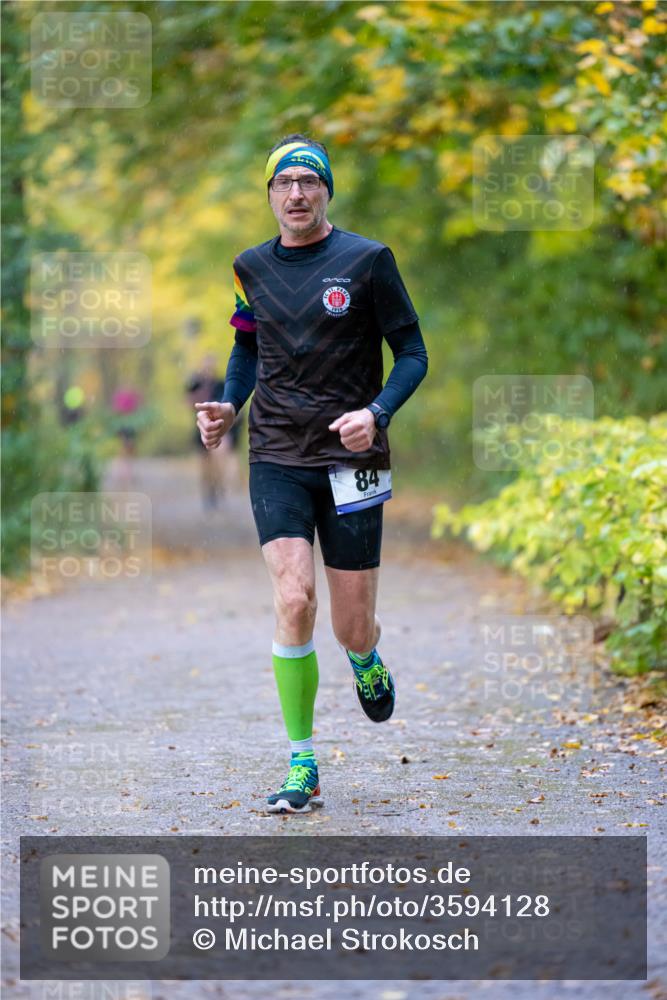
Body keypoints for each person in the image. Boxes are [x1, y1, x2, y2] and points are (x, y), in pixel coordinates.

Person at [195, 134, 428, 814]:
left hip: (353, 456)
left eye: (308, 181)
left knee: (351, 625)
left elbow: (411, 352)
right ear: (269, 194)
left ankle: (364, 657)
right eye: (283, 183)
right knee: (293, 598)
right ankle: (302, 761)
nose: (296, 193)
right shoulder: (249, 267)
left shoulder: (367, 260)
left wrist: (376, 412)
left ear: (326, 191)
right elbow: (246, 349)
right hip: (276, 453)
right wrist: (227, 407)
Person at [186, 354, 242, 509]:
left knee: (217, 463)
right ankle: (208, 493)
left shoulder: (220, 384)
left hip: (215, 429)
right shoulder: (195, 383)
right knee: (204, 466)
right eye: (206, 365)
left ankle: (217, 490)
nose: (208, 369)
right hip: (199, 427)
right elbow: (188, 401)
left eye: (211, 365)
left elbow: (228, 403)